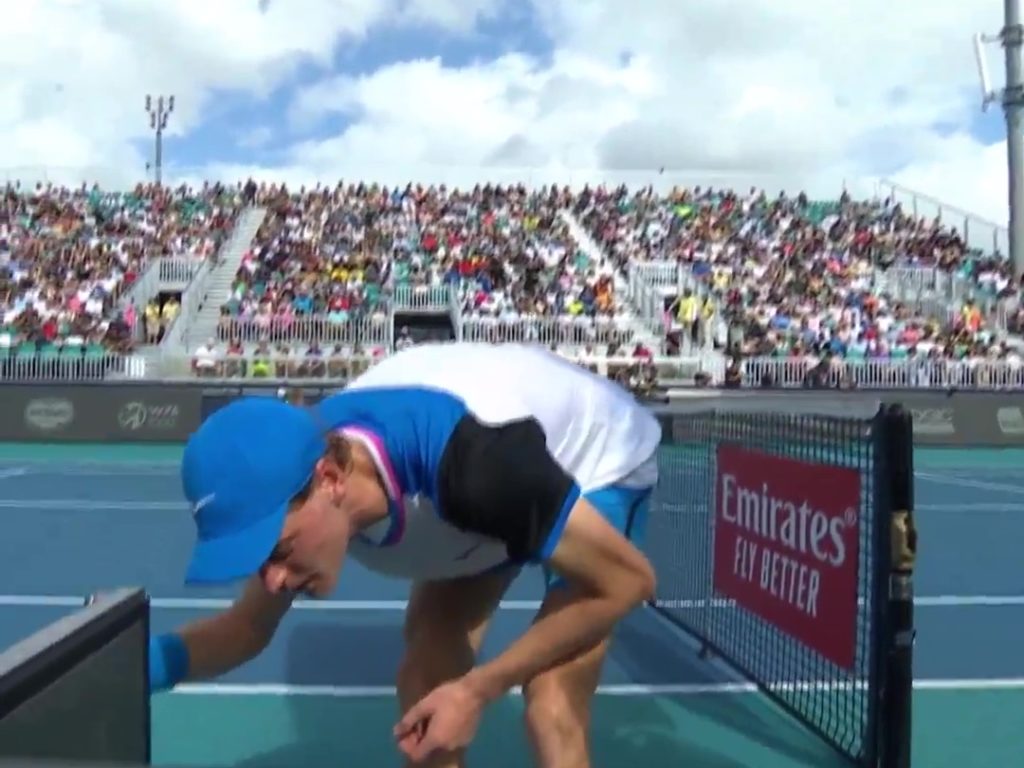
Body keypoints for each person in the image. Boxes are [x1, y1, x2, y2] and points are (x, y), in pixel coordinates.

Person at [150, 341, 661, 768]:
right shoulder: (298, 473)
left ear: (329, 480)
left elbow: (629, 583)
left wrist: (478, 689)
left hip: (594, 458)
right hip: (486, 495)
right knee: (424, 679)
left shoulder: (474, 467)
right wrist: (133, 668)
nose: (275, 580)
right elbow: (246, 629)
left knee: (550, 702)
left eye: (277, 551)